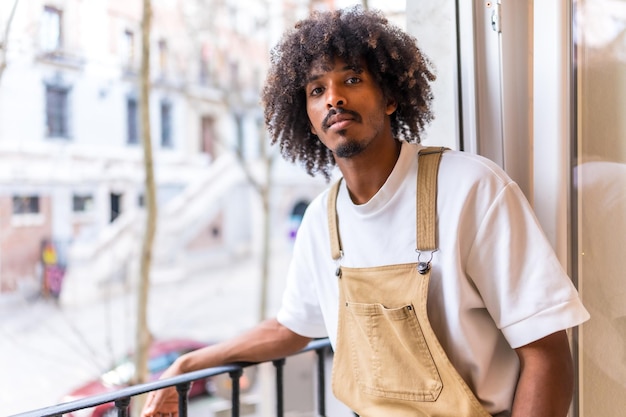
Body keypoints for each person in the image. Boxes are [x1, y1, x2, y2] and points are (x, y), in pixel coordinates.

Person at [142, 7, 589, 417]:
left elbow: (547, 355)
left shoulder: (471, 187)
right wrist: (190, 362)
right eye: (317, 90)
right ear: (308, 118)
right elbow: (291, 327)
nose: (333, 98)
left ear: (391, 98)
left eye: (352, 80)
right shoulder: (322, 220)